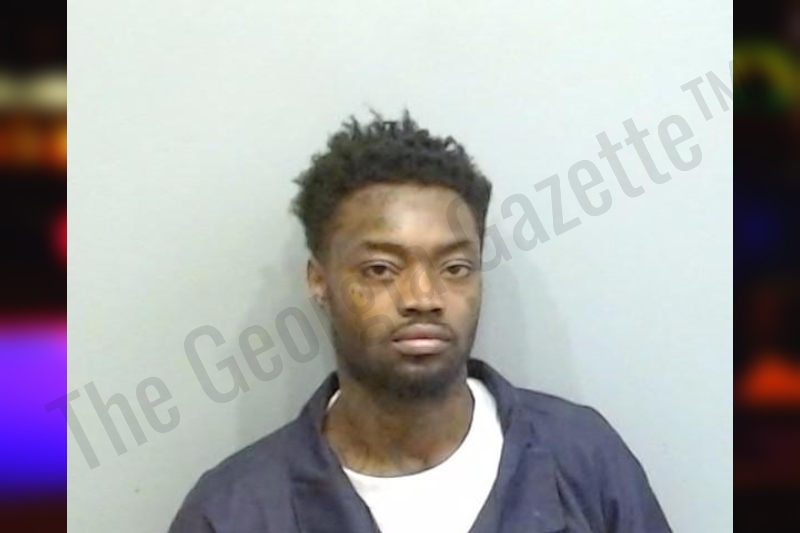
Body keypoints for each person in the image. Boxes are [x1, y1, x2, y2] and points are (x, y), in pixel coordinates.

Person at [168, 112, 672, 533]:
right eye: (381, 270)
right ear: (320, 282)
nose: (424, 298)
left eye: (454, 268)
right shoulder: (234, 512)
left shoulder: (582, 461)